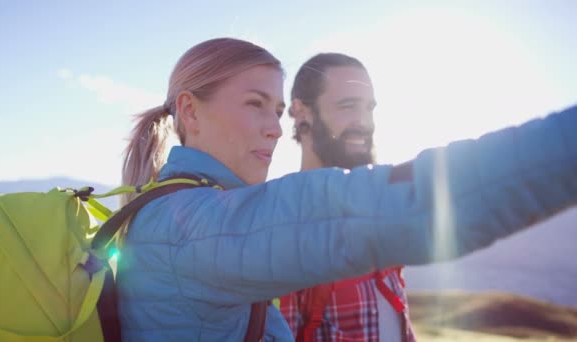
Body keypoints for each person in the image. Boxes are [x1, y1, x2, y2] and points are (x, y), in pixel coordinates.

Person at [115, 37, 577, 341]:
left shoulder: (173, 211)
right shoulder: (194, 227)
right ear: (190, 112)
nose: (274, 129)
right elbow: (398, 210)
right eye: (255, 104)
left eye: (276, 109)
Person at [278, 53, 416, 341]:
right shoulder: (283, 224)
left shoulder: (377, 213)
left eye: (369, 108)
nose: (364, 122)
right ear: (302, 112)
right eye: (347, 106)